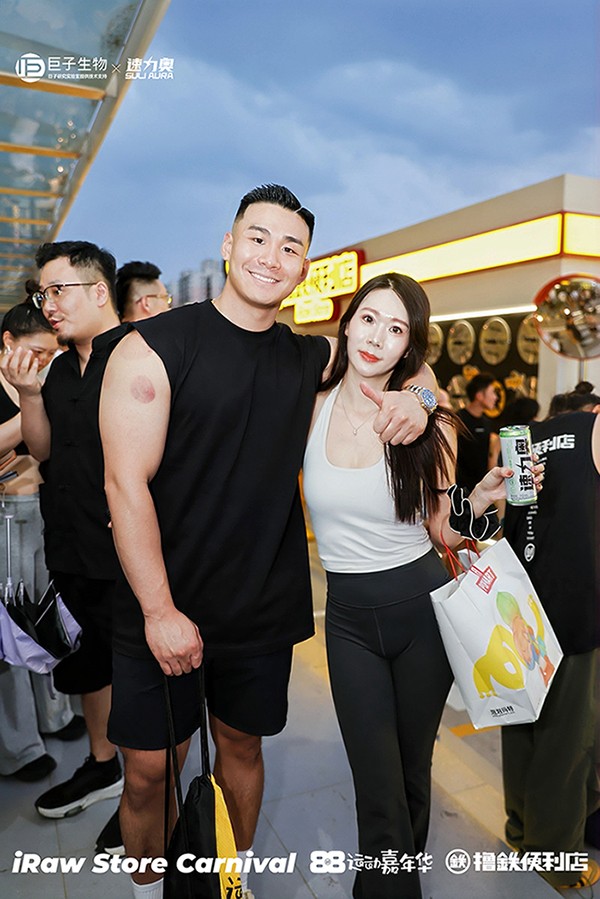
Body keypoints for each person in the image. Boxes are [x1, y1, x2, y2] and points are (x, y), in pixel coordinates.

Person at [99, 184, 439, 899]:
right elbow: (124, 485)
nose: (271, 257)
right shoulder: (152, 347)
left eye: (290, 247)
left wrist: (422, 398)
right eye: (257, 238)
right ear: (228, 244)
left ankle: (231, 883)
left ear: (303, 268)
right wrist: (159, 611)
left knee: (242, 749)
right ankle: (148, 891)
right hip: (159, 602)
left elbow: (403, 357)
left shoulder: (310, 357)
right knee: (151, 771)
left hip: (258, 606)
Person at [302, 272, 521, 899]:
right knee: (377, 787)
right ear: (348, 322)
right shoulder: (311, 405)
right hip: (348, 621)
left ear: (409, 346)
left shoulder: (431, 422)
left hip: (423, 612)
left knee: (410, 772)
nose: (377, 337)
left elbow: (445, 531)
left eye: (396, 329)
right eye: (369, 319)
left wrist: (481, 501)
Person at [0, 243, 128, 853]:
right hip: (69, 545)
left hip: (129, 551)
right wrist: (29, 395)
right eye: (41, 293)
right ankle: (103, 764)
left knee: (139, 675)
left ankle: (146, 794)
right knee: (87, 665)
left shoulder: (139, 356)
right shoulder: (57, 371)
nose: (47, 304)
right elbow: (44, 450)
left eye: (58, 291)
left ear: (99, 291)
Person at [501, 400, 600, 889]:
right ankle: (556, 857)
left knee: (523, 727)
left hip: (522, 605)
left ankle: (521, 831)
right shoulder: (593, 431)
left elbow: (510, 517)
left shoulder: (527, 437)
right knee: (568, 741)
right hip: (578, 609)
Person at [0, 300, 84, 783]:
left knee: (50, 615)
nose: (44, 363)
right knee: (10, 630)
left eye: (51, 354)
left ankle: (55, 714)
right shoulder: (36, 388)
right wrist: (36, 403)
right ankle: (19, 747)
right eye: (36, 352)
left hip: (47, 510)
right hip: (7, 516)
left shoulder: (46, 382)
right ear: (7, 342)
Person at [456, 371, 500, 491]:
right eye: (492, 392)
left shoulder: (487, 423)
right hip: (460, 488)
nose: (496, 397)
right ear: (479, 395)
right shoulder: (458, 420)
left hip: (482, 488)